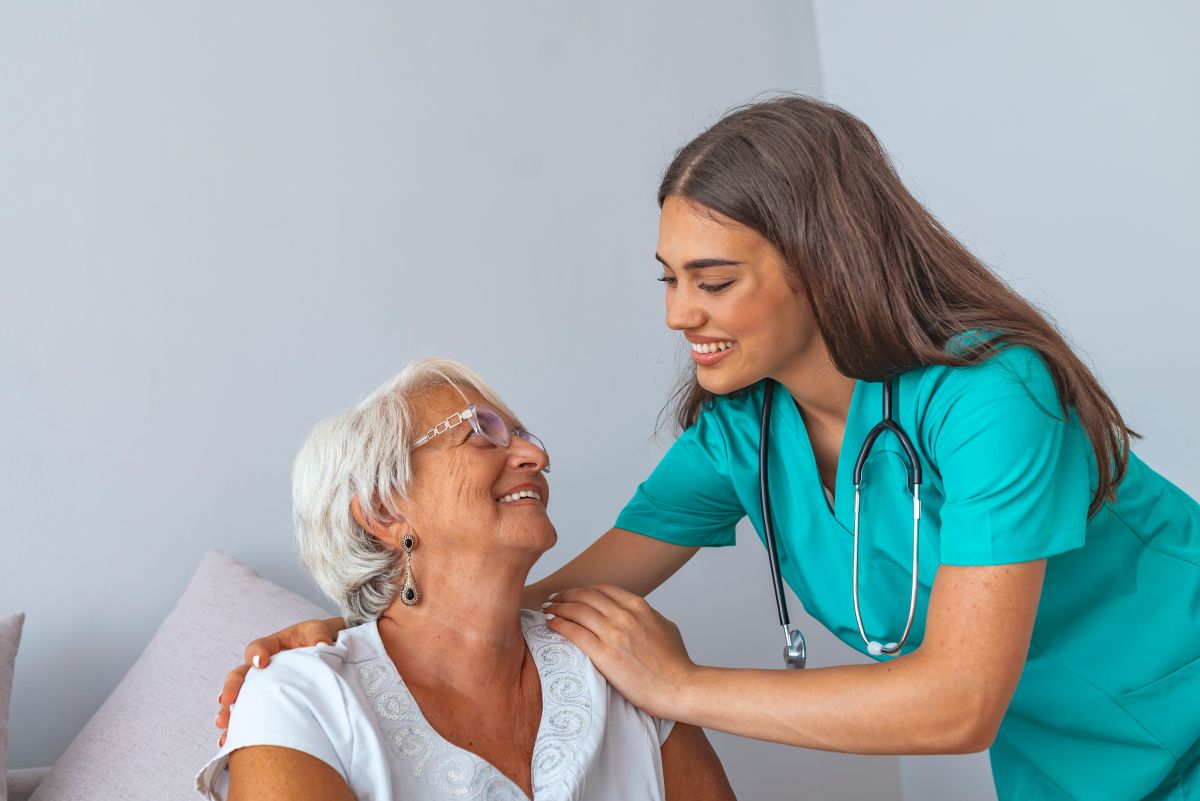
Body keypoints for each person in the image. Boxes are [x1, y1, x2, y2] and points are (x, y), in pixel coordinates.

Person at [216, 97, 1200, 800]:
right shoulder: (743, 432)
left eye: (714, 281)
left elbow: (959, 703)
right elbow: (541, 601)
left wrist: (681, 687)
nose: (680, 314)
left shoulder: (991, 396)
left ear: (824, 265)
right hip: (1070, 763)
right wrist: (368, 639)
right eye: (669, 279)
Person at [198, 358, 735, 801]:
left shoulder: (625, 660)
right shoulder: (298, 699)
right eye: (482, 432)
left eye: (523, 436)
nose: (537, 455)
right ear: (385, 510)